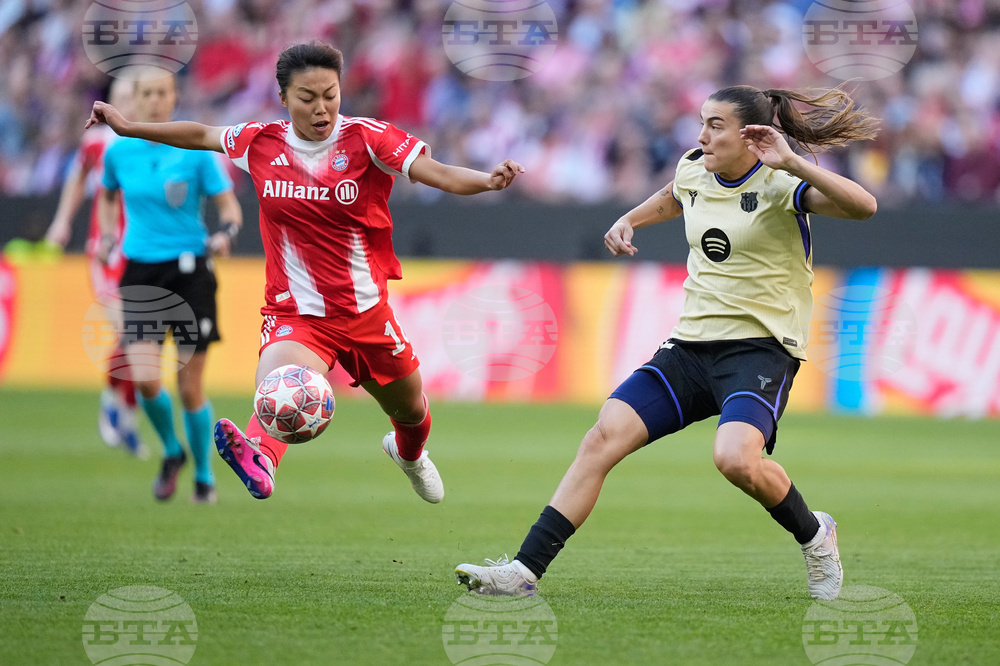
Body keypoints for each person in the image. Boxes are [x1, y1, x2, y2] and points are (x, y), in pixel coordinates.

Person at [455, 85, 879, 601]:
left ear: (750, 135)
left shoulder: (780, 182)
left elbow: (864, 207)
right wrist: (629, 218)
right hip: (691, 347)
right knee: (602, 437)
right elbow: (675, 196)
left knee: (736, 460)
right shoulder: (694, 168)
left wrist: (791, 160)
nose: (701, 136)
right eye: (702, 122)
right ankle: (523, 571)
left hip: (759, 349)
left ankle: (815, 534)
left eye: (715, 125)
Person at [85, 42, 524, 504]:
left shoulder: (369, 138)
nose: (321, 108)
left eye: (330, 95)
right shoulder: (259, 141)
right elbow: (200, 134)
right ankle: (260, 459)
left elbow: (438, 173)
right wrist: (129, 127)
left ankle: (409, 455)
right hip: (297, 314)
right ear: (283, 98)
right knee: (280, 386)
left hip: (367, 313)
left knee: (413, 412)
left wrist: (486, 180)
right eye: (307, 97)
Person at [96, 71, 243, 504]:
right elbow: (107, 196)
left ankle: (204, 476)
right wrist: (108, 236)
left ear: (174, 97)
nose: (156, 100)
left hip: (190, 272)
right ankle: (172, 450)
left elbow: (228, 205)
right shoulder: (118, 153)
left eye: (163, 92)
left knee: (190, 388)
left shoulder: (196, 151)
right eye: (148, 93)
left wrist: (226, 233)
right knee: (144, 380)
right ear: (136, 99)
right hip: (141, 272)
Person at [43, 79, 145, 457]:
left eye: (134, 98)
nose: (129, 104)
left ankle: (127, 411)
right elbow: (76, 179)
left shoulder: (154, 142)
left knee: (143, 336)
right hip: (105, 252)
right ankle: (113, 402)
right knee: (131, 331)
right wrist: (61, 221)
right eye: (122, 98)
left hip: (142, 252)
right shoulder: (97, 142)